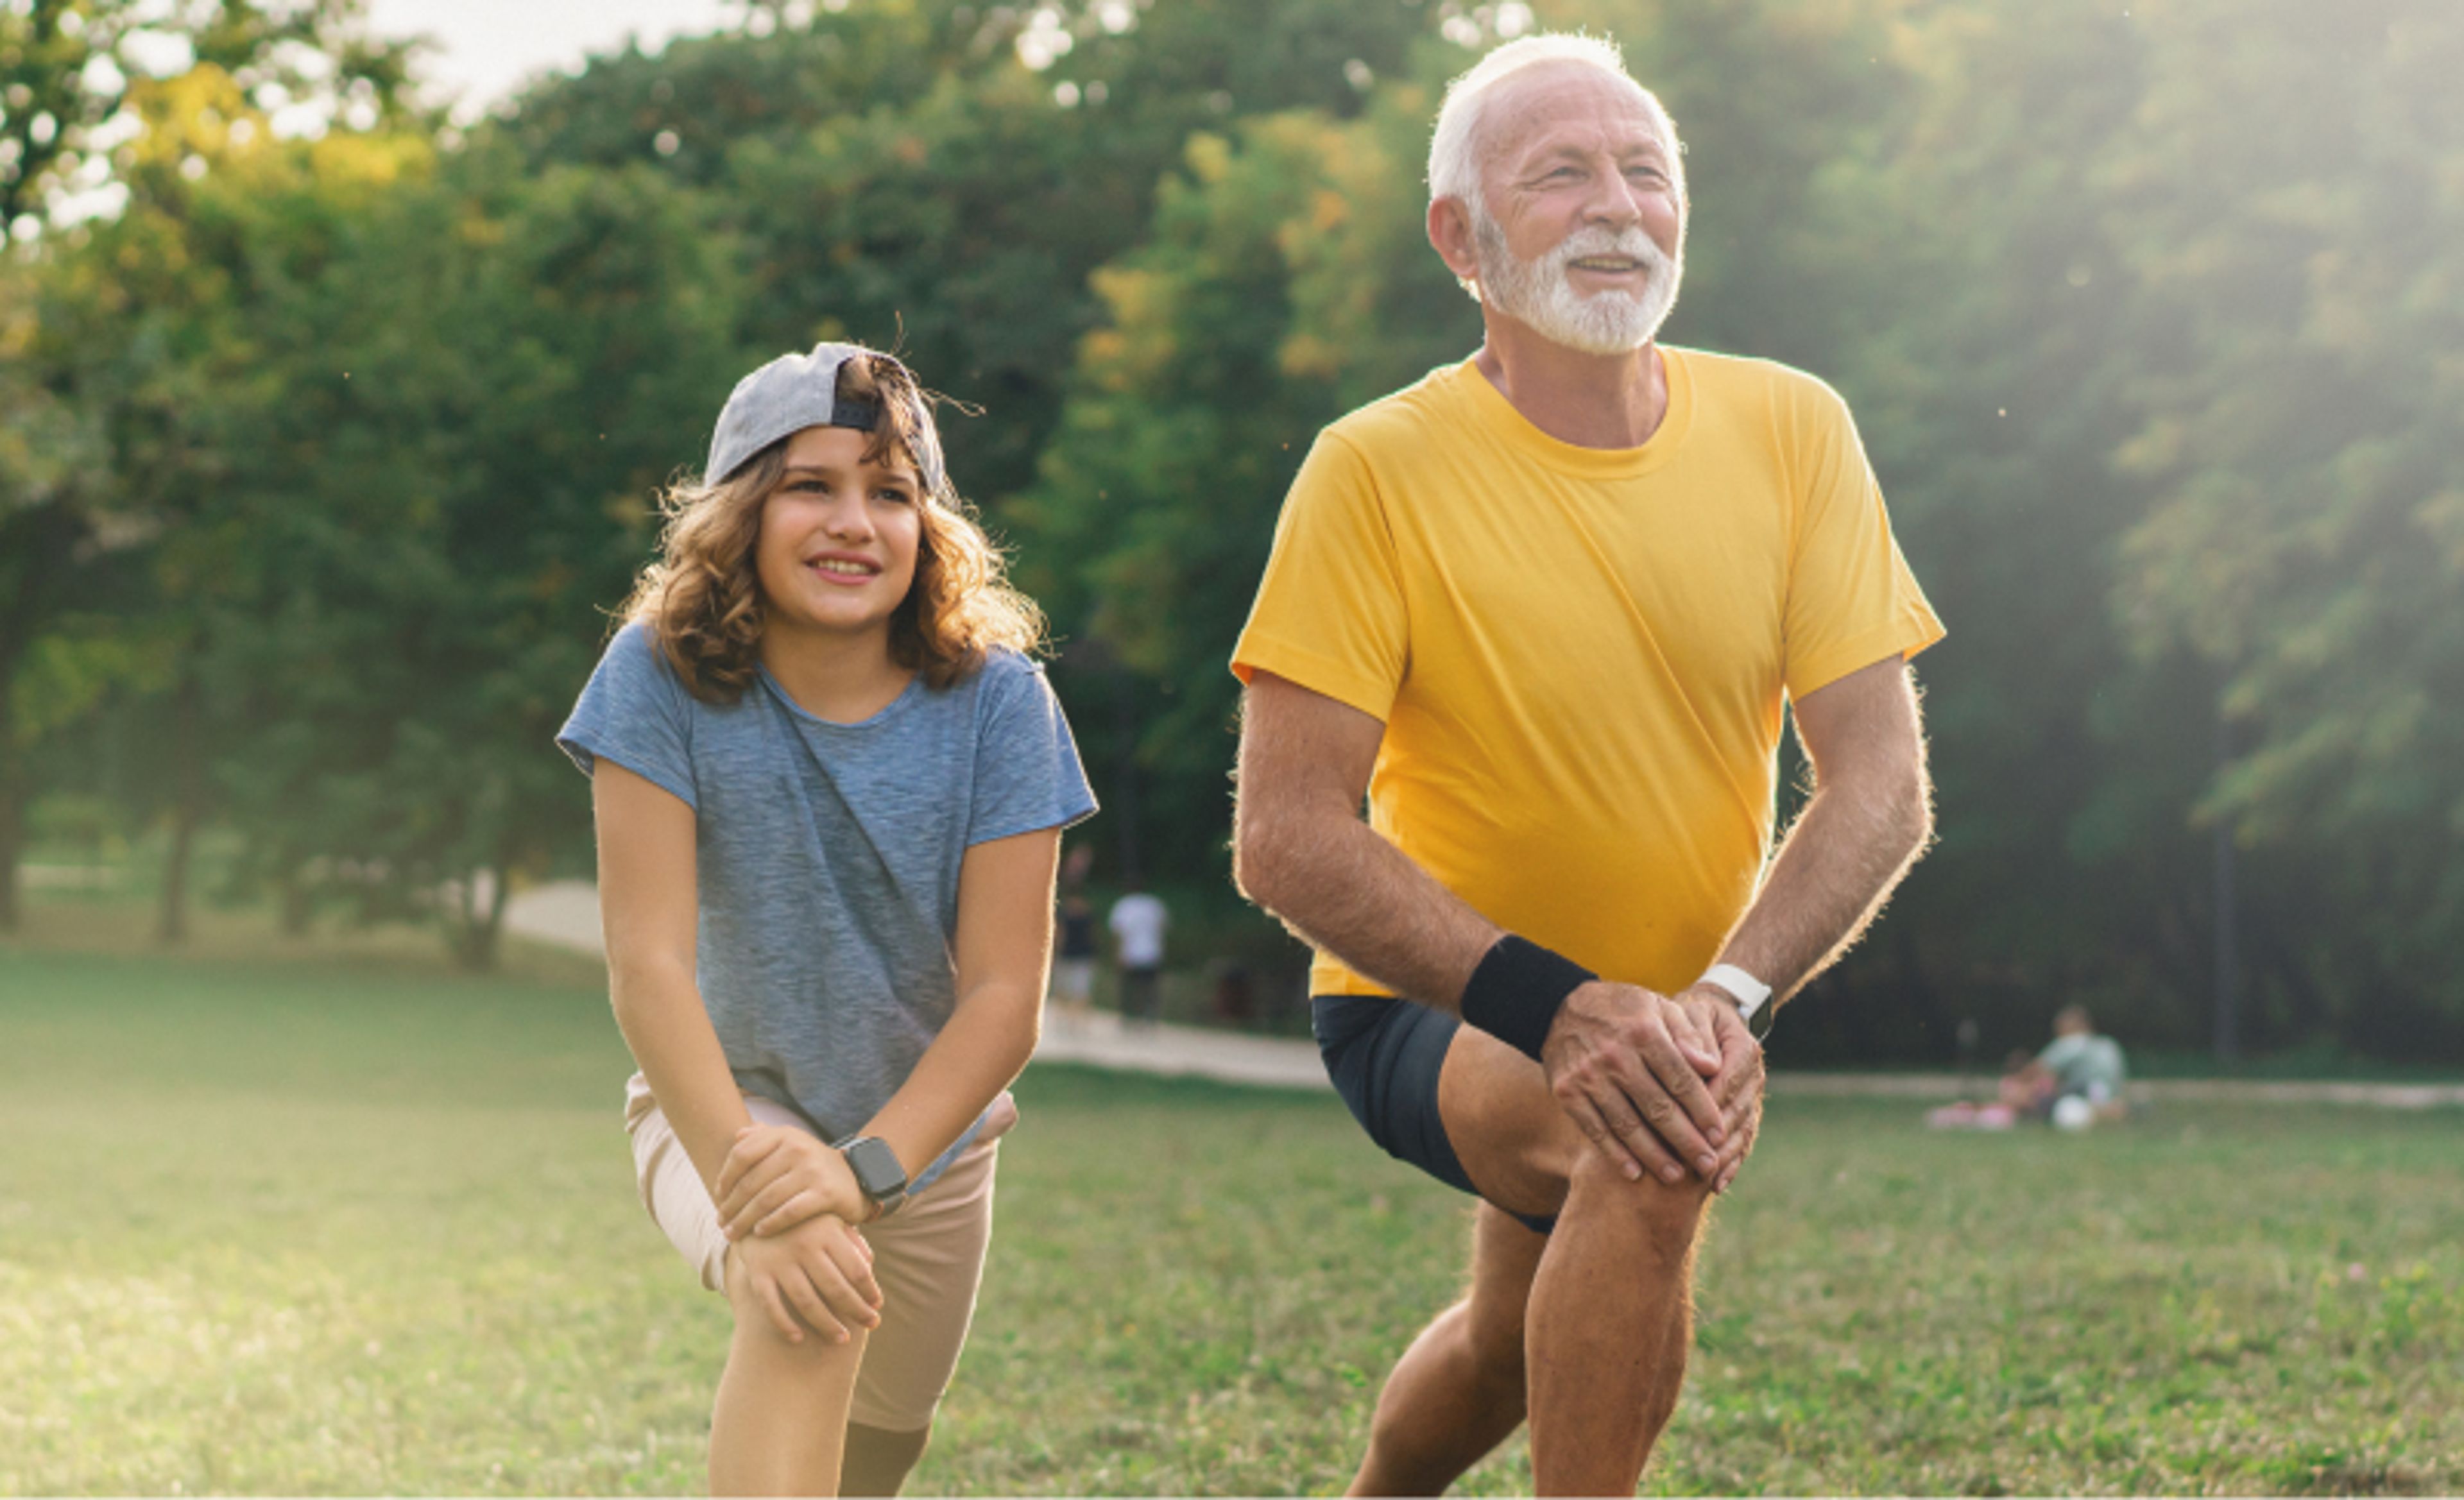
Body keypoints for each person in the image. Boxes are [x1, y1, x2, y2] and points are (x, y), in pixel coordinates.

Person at [1229, 33, 1944, 1496]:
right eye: (1559, 173)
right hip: (1437, 1014)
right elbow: (1286, 837)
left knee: (1508, 1344)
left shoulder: (1793, 428)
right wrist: (1558, 1014)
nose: (1616, 205)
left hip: (1679, 1016)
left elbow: (1878, 787)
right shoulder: (1371, 470)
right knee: (1650, 1149)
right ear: (1460, 237)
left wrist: (1723, 1003)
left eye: (1645, 171)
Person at [557, 342, 1096, 1496]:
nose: (854, 520)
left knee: (877, 1450)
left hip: (925, 1134)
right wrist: (765, 1190)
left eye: (890, 492)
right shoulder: (656, 674)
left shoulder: (1003, 703)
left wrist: (864, 1170)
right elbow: (647, 965)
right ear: (743, 508)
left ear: (928, 528)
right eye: (812, 484)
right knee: (806, 1296)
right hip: (723, 1105)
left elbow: (1006, 997)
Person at [2003, 1005, 2128, 1122]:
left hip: (2086, 1097)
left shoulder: (2073, 1042)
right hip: (2112, 1095)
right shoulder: (2108, 1044)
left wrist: (2014, 1083)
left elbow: (2038, 1069)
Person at [1049, 845, 1100, 1034]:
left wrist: (1055, 954)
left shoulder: (1065, 913)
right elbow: (1093, 934)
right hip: (1085, 954)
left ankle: (1065, 1020)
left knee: (1063, 988)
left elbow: (1059, 935)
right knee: (1081, 990)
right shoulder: (1089, 913)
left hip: (1069, 953)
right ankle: (1077, 1022)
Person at [1106, 882, 1168, 1027]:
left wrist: (1118, 953)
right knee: (1149, 988)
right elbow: (1163, 928)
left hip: (1130, 953)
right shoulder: (1154, 905)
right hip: (1152, 952)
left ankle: (1129, 1016)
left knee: (1129, 988)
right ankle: (1150, 1016)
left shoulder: (1124, 906)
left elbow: (1118, 933)